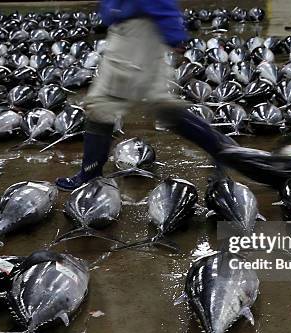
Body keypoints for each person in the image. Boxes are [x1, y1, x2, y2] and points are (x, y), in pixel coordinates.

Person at [55, 0, 190, 190]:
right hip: (131, 27)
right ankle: (226, 151)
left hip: (135, 28)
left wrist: (173, 33)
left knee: (103, 104)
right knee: (161, 103)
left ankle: (89, 174)